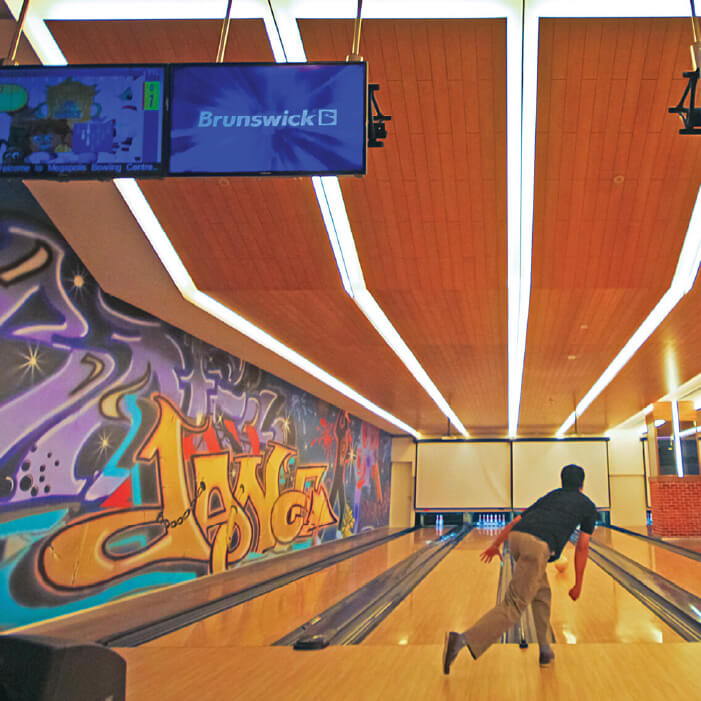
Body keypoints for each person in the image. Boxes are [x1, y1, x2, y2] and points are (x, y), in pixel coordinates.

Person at [442, 463, 597, 674]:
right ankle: (461, 640)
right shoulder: (587, 506)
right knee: (514, 605)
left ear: (562, 482)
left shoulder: (551, 496)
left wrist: (496, 544)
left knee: (542, 593)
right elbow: (582, 546)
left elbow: (515, 521)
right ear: (582, 485)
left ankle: (545, 649)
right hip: (538, 546)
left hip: (516, 539)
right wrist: (578, 584)